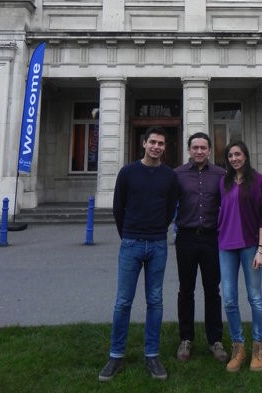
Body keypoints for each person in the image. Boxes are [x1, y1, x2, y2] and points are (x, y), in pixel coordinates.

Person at [99, 126, 178, 381]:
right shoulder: (127, 173)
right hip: (131, 244)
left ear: (165, 148)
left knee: (155, 301)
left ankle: (152, 355)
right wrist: (129, 235)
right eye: (152, 142)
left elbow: (169, 209)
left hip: (157, 245)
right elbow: (118, 207)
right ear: (144, 144)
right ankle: (115, 356)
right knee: (123, 302)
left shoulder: (169, 176)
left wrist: (156, 230)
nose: (156, 147)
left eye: (161, 144)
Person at [174, 132, 228, 363]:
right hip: (186, 238)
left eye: (203, 147)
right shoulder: (176, 174)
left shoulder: (221, 175)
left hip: (211, 239)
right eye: (195, 147)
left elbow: (230, 205)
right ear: (189, 150)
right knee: (186, 290)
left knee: (212, 291)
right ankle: (186, 339)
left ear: (209, 150)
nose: (199, 151)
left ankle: (215, 340)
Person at [217, 140, 262, 372]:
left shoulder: (259, 181)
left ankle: (258, 347)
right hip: (226, 246)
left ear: (245, 156)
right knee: (229, 299)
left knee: (255, 298)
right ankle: (238, 347)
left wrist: (261, 249)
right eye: (230, 156)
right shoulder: (224, 182)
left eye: (237, 154)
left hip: (250, 246)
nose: (234, 159)